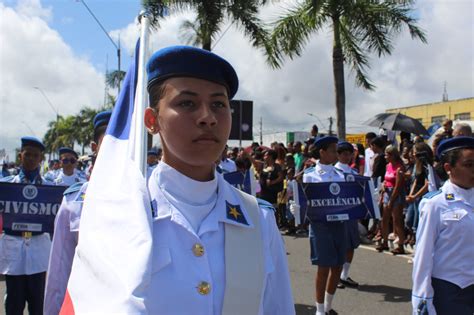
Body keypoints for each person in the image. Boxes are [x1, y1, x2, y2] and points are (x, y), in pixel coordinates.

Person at [143, 45, 294, 314]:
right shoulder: (121, 211)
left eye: (218, 104)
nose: (207, 117)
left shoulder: (259, 219)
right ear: (152, 120)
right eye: (187, 103)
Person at [43, 111, 112, 315]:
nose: (121, 147)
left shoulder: (154, 198)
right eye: (112, 140)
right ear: (94, 147)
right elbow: (59, 274)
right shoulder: (74, 202)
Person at [412, 136, 474, 315]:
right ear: (448, 168)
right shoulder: (435, 204)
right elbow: (423, 256)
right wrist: (421, 299)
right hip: (450, 289)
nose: (473, 170)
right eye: (468, 165)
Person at [0, 137, 53, 315]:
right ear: (20, 156)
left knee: (37, 303)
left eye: (35, 155)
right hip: (14, 248)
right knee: (14, 303)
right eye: (27, 154)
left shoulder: (50, 189)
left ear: (41, 159)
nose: (31, 158)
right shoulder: (7, 186)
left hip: (38, 249)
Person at [303, 136, 346, 315]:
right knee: (323, 267)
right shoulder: (309, 175)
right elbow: (305, 200)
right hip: (320, 225)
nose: (336, 154)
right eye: (333, 150)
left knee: (337, 265)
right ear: (322, 152)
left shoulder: (341, 175)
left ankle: (328, 305)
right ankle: (319, 309)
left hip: (339, 224)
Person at [334, 141, 360, 289]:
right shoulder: (333, 172)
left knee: (351, 245)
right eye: (344, 153)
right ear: (338, 155)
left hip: (351, 213)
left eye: (349, 154)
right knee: (339, 245)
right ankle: (335, 276)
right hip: (337, 214)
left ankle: (344, 274)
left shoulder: (354, 173)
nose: (347, 156)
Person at [377, 145, 406, 255]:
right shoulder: (388, 166)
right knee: (384, 218)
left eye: (387, 154)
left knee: (397, 220)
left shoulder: (400, 167)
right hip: (387, 192)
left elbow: (398, 186)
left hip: (396, 194)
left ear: (393, 155)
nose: (385, 156)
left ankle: (401, 245)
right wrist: (384, 185)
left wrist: (392, 200)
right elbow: (386, 179)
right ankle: (384, 242)